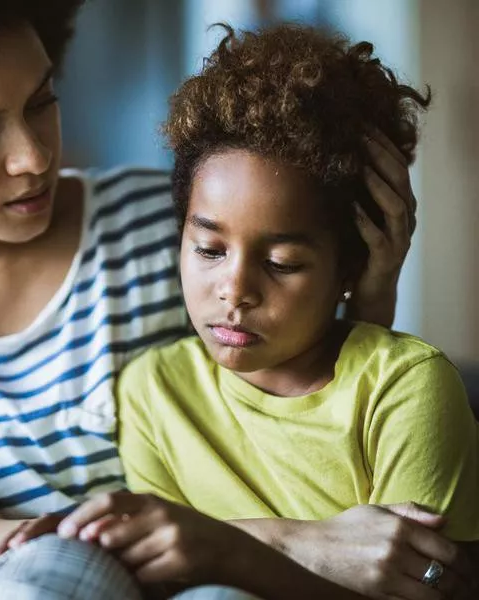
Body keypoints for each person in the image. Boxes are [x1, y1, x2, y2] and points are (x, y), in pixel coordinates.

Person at [0, 2, 456, 598]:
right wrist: (280, 544)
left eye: (42, 103)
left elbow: (300, 410)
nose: (34, 154)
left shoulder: (162, 224)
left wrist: (363, 294)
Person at [45, 23, 479, 600]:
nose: (235, 289)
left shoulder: (406, 388)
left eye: (281, 262)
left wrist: (224, 547)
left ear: (352, 264)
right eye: (208, 249)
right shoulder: (153, 393)